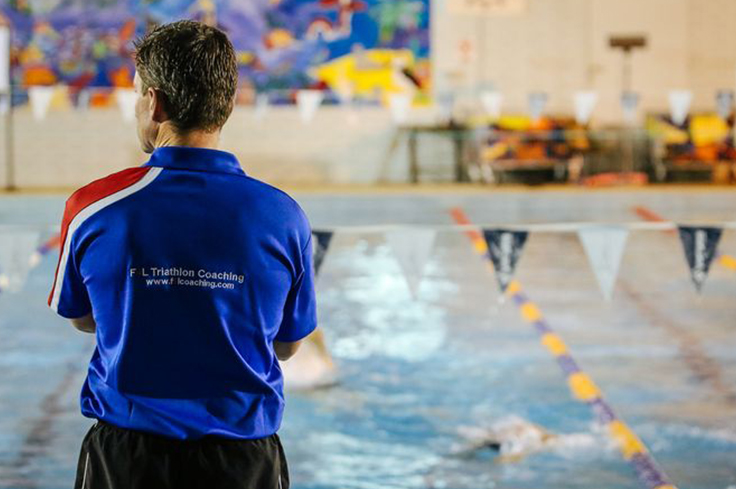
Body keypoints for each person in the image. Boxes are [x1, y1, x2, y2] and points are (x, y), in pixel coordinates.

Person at [48, 20, 317, 489]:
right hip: (244, 458)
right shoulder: (282, 215)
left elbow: (82, 318)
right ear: (227, 104)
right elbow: (288, 344)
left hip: (127, 458)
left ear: (154, 102)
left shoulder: (93, 209)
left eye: (136, 95)